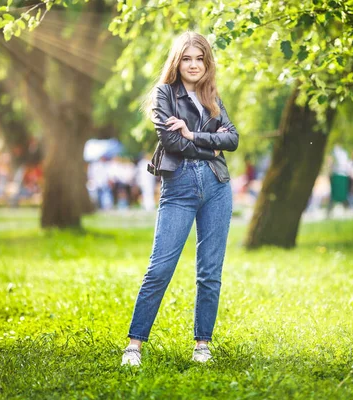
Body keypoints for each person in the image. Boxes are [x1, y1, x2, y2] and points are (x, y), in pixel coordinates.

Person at [121, 31, 239, 366]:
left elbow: (233, 139)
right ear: (177, 61)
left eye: (199, 58)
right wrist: (209, 142)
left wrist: (193, 133)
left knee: (210, 272)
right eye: (186, 58)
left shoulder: (212, 94)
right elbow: (172, 143)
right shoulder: (164, 94)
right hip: (180, 185)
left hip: (217, 186)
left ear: (207, 62)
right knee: (160, 268)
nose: (193, 65)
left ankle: (202, 345)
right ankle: (134, 345)